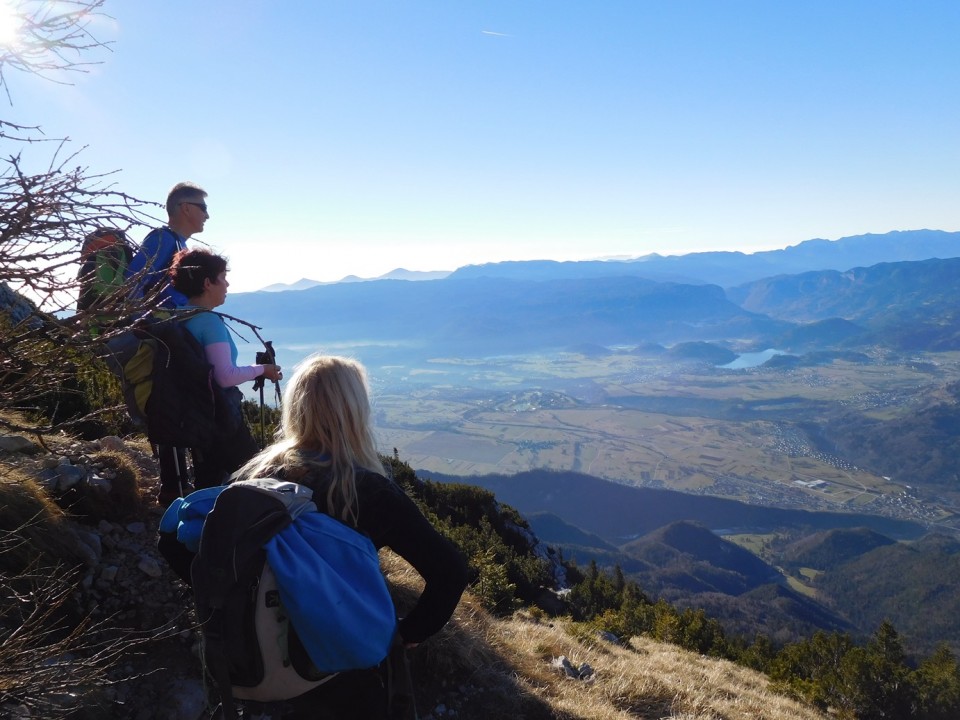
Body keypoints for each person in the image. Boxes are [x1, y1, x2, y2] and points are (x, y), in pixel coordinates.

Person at [230, 354, 470, 719]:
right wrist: (405, 634)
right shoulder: (367, 490)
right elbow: (450, 571)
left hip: (258, 651)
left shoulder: (258, 475)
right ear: (355, 411)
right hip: (341, 660)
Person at [167, 248, 282, 493]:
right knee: (256, 479)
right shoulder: (208, 322)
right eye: (223, 277)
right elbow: (224, 376)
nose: (227, 284)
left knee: (207, 484)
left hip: (194, 416)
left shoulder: (176, 318)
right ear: (208, 283)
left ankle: (196, 528)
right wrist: (263, 369)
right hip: (220, 418)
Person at [126, 182, 209, 505]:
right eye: (203, 208)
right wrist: (149, 322)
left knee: (179, 406)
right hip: (162, 339)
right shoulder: (161, 239)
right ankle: (173, 488)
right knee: (169, 407)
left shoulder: (176, 244)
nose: (207, 216)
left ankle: (180, 484)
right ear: (185, 208)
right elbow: (133, 282)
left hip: (168, 337)